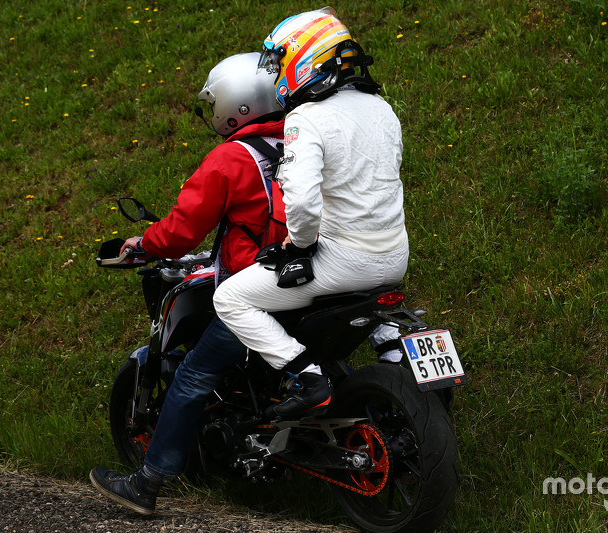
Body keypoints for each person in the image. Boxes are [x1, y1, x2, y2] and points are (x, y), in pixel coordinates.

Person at [89, 52, 286, 516]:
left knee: (194, 374)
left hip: (258, 287)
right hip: (320, 276)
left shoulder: (231, 158)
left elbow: (182, 231)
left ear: (236, 107)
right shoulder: (303, 141)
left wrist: (143, 243)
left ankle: (145, 484)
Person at [214, 7, 408, 419]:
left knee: (229, 299)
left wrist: (298, 245)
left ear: (304, 59)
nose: (276, 72)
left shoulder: (307, 117)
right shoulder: (382, 109)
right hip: (394, 256)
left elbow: (301, 202)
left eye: (279, 61)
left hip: (345, 262)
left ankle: (308, 378)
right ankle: (394, 358)